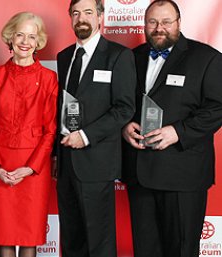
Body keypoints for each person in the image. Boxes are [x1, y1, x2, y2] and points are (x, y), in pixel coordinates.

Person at [121, 1, 222, 256]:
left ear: (178, 23)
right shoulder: (133, 57)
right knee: (146, 250)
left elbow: (217, 108)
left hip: (182, 175)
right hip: (140, 173)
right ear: (144, 25)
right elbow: (121, 104)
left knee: (181, 250)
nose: (159, 28)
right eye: (152, 22)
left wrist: (178, 131)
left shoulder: (207, 58)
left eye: (166, 22)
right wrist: (124, 125)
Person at [54, 0, 136, 256]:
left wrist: (86, 136)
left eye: (88, 12)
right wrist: (57, 153)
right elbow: (64, 107)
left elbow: (124, 108)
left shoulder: (119, 55)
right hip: (67, 162)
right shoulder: (64, 56)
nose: (82, 18)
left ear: (100, 17)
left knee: (99, 241)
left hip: (96, 162)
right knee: (71, 237)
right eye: (76, 13)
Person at [0, 12, 58, 257]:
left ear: (38, 42)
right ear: (10, 39)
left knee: (28, 238)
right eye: (20, 35)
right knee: (4, 237)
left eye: (32, 36)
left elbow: (50, 131)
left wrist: (31, 168)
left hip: (34, 169)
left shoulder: (49, 79)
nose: (25, 41)